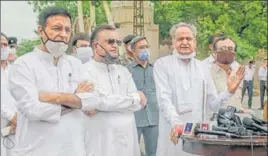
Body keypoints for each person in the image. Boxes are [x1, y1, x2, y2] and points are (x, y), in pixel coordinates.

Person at [8, 7, 95, 156]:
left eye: (67, 30)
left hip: (74, 149)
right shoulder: (23, 64)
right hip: (36, 150)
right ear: (41, 31)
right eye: (57, 28)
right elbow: (32, 110)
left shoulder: (75, 64)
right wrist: (76, 100)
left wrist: (54, 98)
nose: (63, 34)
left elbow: (92, 104)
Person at [153, 22, 245, 156]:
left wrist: (228, 92)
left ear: (194, 42)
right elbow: (163, 100)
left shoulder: (202, 67)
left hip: (197, 136)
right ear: (173, 42)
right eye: (180, 39)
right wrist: (177, 124)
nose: (184, 42)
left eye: (188, 39)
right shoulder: (162, 64)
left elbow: (213, 104)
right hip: (173, 132)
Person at [80, 24, 147, 156]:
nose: (115, 45)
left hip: (127, 142)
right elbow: (97, 100)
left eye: (117, 42)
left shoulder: (123, 71)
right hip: (101, 143)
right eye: (110, 42)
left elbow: (138, 105)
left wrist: (102, 106)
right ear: (95, 46)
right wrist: (134, 98)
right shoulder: (84, 71)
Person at [127, 36, 159, 156]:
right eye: (141, 48)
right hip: (135, 119)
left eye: (146, 47)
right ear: (133, 51)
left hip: (154, 117)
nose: (145, 50)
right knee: (132, 151)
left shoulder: (156, 69)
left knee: (154, 152)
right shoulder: (127, 71)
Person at [1, 32, 18, 156]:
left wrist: (17, 117)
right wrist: (10, 116)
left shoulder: (14, 69)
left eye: (5, 44)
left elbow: (20, 94)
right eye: (0, 44)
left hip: (15, 125)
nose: (3, 48)